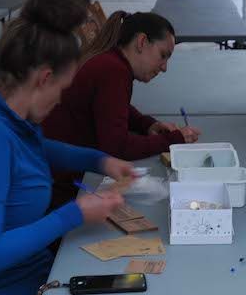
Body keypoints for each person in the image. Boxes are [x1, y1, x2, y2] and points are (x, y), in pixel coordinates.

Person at [0, 0, 133, 295]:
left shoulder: (3, 111)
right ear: (44, 78)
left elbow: (40, 149)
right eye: (61, 89)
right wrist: (74, 213)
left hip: (34, 279)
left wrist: (100, 161)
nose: (60, 100)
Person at [44, 11, 200, 201]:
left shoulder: (110, 60)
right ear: (142, 42)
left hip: (58, 172)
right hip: (61, 187)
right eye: (163, 55)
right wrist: (173, 139)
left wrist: (147, 124)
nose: (164, 67)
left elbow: (114, 106)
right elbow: (117, 147)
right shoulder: (113, 71)